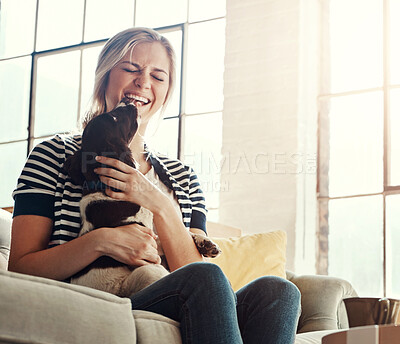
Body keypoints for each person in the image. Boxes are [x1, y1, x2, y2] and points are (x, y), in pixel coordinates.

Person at [8, 27, 301, 343]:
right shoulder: (54, 155)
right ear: (105, 76)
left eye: (158, 77)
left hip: (174, 293)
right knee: (207, 280)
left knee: (278, 290)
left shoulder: (182, 176)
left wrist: (160, 203)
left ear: (166, 91)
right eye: (131, 69)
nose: (143, 82)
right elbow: (22, 268)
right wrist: (101, 241)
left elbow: (192, 269)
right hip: (98, 297)